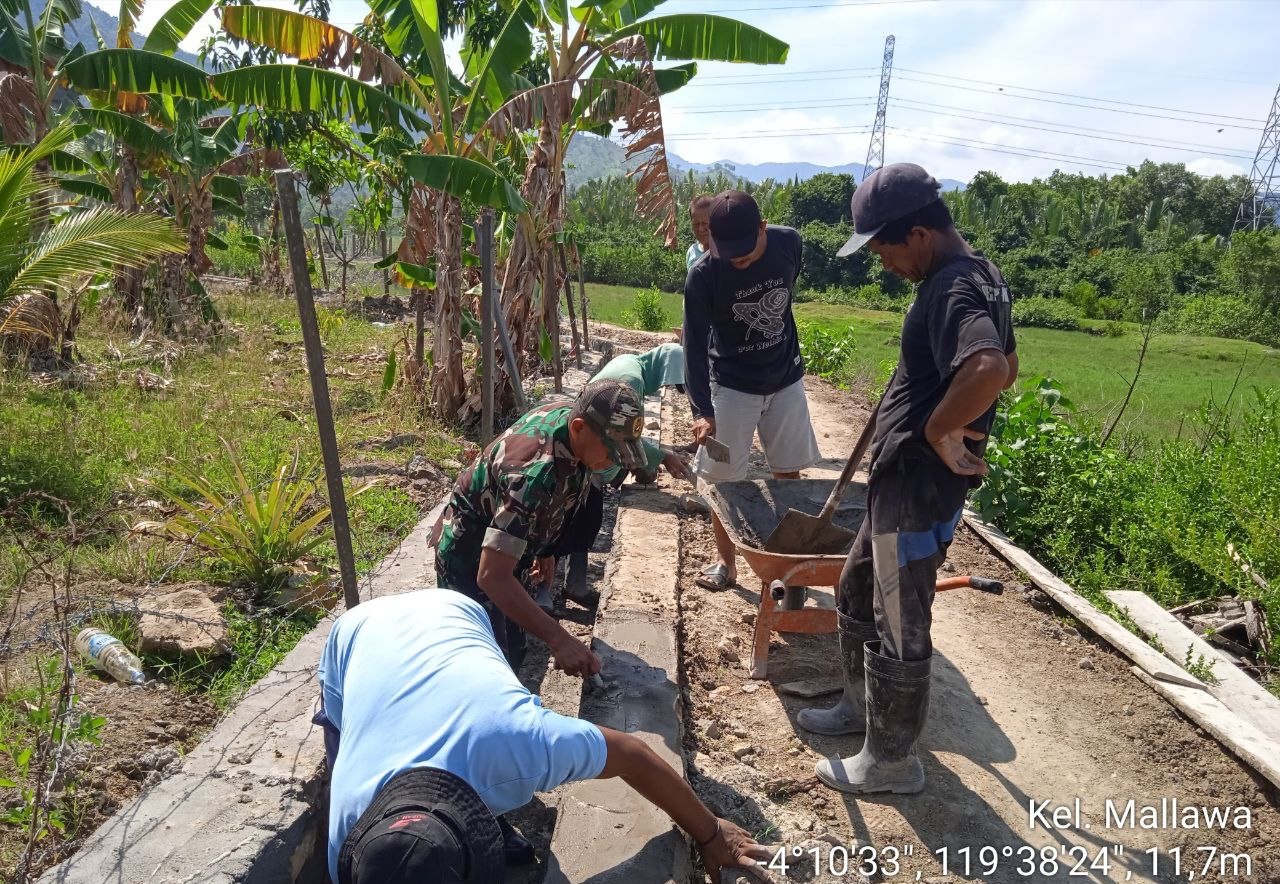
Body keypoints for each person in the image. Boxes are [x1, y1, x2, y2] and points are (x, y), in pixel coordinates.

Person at [799, 163, 1017, 795]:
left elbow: (990, 367)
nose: (883, 263)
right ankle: (857, 710)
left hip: (918, 486)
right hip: (900, 483)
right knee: (857, 583)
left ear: (918, 234)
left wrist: (934, 430)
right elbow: (1013, 361)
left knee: (900, 617)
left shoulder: (951, 286)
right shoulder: (985, 277)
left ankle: (891, 760)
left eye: (884, 248)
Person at [317, 588, 775, 884]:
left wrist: (712, 833)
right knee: (343, 731)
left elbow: (633, 754)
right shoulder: (347, 845)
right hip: (356, 641)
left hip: (449, 611)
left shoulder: (523, 743)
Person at [431, 378, 647, 677]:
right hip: (470, 555)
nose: (614, 459)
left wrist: (544, 549)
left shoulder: (571, 424)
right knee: (485, 666)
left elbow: (554, 497)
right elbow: (492, 576)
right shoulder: (532, 476)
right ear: (579, 428)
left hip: (506, 545)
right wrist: (560, 639)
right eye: (611, 449)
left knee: (515, 645)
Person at [682, 189, 821, 590]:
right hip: (732, 385)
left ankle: (790, 564)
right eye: (729, 254)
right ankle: (726, 565)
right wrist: (701, 411)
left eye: (745, 252)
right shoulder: (704, 275)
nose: (737, 262)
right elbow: (693, 346)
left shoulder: (788, 243)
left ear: (763, 228)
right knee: (724, 480)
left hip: (785, 379)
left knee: (788, 472)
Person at [553, 343, 692, 603]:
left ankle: (572, 584)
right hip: (591, 450)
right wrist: (657, 460)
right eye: (670, 384)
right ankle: (548, 593)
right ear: (664, 371)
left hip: (589, 446)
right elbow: (624, 435)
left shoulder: (632, 366)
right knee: (574, 520)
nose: (666, 390)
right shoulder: (631, 382)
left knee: (582, 519)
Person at [686, 194, 713, 270]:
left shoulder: (727, 253)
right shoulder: (692, 252)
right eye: (696, 224)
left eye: (705, 223)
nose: (700, 229)